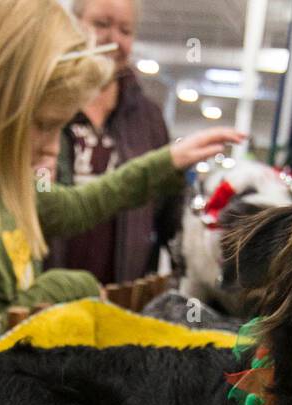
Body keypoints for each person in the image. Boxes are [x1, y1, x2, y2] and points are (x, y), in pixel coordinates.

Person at [0, 0, 243, 324]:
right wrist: (64, 288)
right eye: (43, 125)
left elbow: (78, 204)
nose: (53, 149)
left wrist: (167, 162)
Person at [46, 0, 178, 284]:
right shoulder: (46, 99)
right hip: (45, 287)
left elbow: (170, 211)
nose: (114, 40)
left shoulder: (148, 118)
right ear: (74, 23)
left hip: (119, 292)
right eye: (101, 24)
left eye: (126, 31)